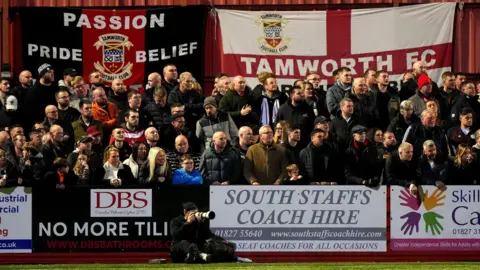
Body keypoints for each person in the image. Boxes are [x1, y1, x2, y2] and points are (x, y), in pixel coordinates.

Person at [170, 202, 250, 263]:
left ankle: (234, 258)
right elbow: (175, 236)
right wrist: (187, 223)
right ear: (185, 212)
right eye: (193, 213)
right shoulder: (176, 221)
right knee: (185, 243)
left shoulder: (197, 222)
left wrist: (201, 224)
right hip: (179, 250)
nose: (195, 215)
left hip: (195, 250)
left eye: (196, 213)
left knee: (211, 245)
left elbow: (208, 235)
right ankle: (200, 255)